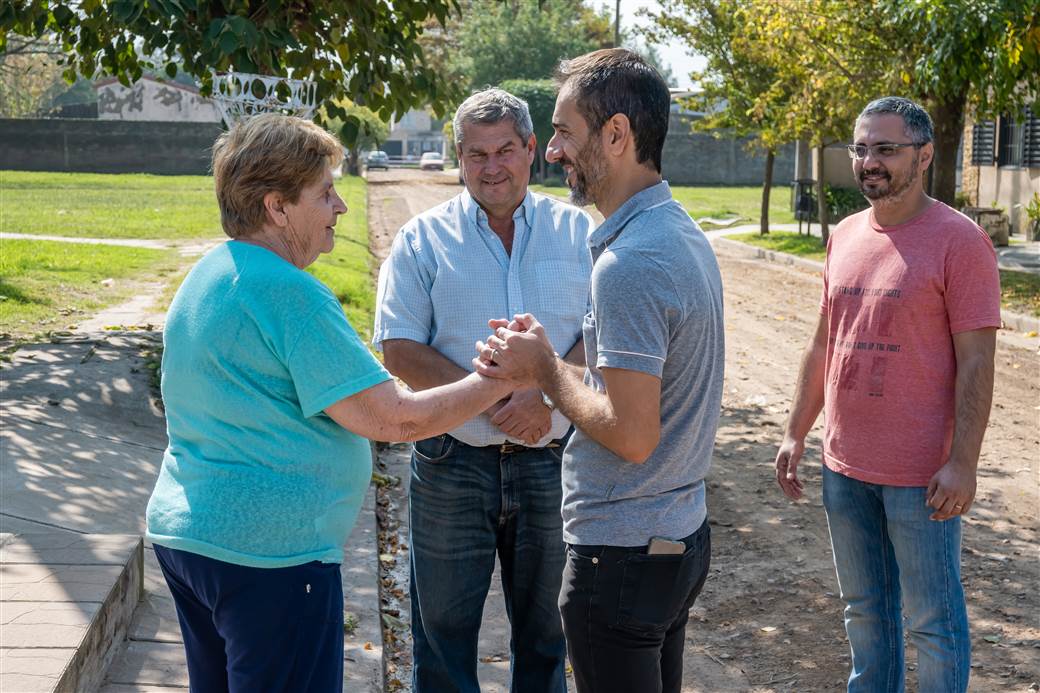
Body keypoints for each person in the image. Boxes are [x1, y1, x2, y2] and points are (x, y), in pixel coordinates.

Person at [145, 114, 515, 693]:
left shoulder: (212, 273)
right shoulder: (289, 294)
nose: (340, 207)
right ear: (277, 207)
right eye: (325, 193)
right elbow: (395, 417)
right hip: (268, 558)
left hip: (195, 539)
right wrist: (498, 380)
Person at [473, 49, 725, 693]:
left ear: (616, 135)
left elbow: (632, 434)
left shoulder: (630, 263)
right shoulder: (679, 232)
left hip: (622, 557)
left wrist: (545, 371)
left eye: (563, 131)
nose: (552, 151)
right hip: (674, 537)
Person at [774, 96, 1000, 692]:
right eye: (862, 147)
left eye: (886, 149)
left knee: (932, 624)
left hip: (921, 475)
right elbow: (825, 343)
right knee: (863, 612)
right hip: (844, 466)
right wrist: (797, 430)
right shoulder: (845, 233)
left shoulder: (961, 241)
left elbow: (978, 362)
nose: (869, 161)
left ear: (924, 156)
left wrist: (963, 464)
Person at [372, 87, 593, 693]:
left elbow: (602, 336)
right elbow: (398, 347)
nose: (491, 167)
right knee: (441, 636)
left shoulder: (579, 233)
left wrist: (545, 398)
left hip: (551, 462)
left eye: (504, 150)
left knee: (549, 636)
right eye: (475, 154)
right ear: (459, 156)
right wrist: (493, 399)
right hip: (450, 464)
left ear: (531, 150)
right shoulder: (421, 239)